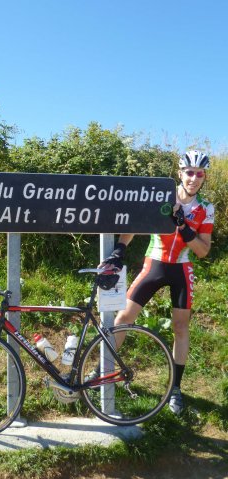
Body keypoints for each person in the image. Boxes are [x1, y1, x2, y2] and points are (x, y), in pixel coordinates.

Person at [100, 150, 215, 415]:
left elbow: (203, 250)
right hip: (155, 263)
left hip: (182, 268)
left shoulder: (205, 208)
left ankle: (175, 389)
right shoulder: (162, 195)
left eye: (199, 174)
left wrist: (184, 228)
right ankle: (101, 373)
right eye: (189, 172)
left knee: (180, 327)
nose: (193, 178)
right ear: (180, 173)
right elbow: (136, 224)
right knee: (124, 317)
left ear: (204, 176)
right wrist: (120, 248)